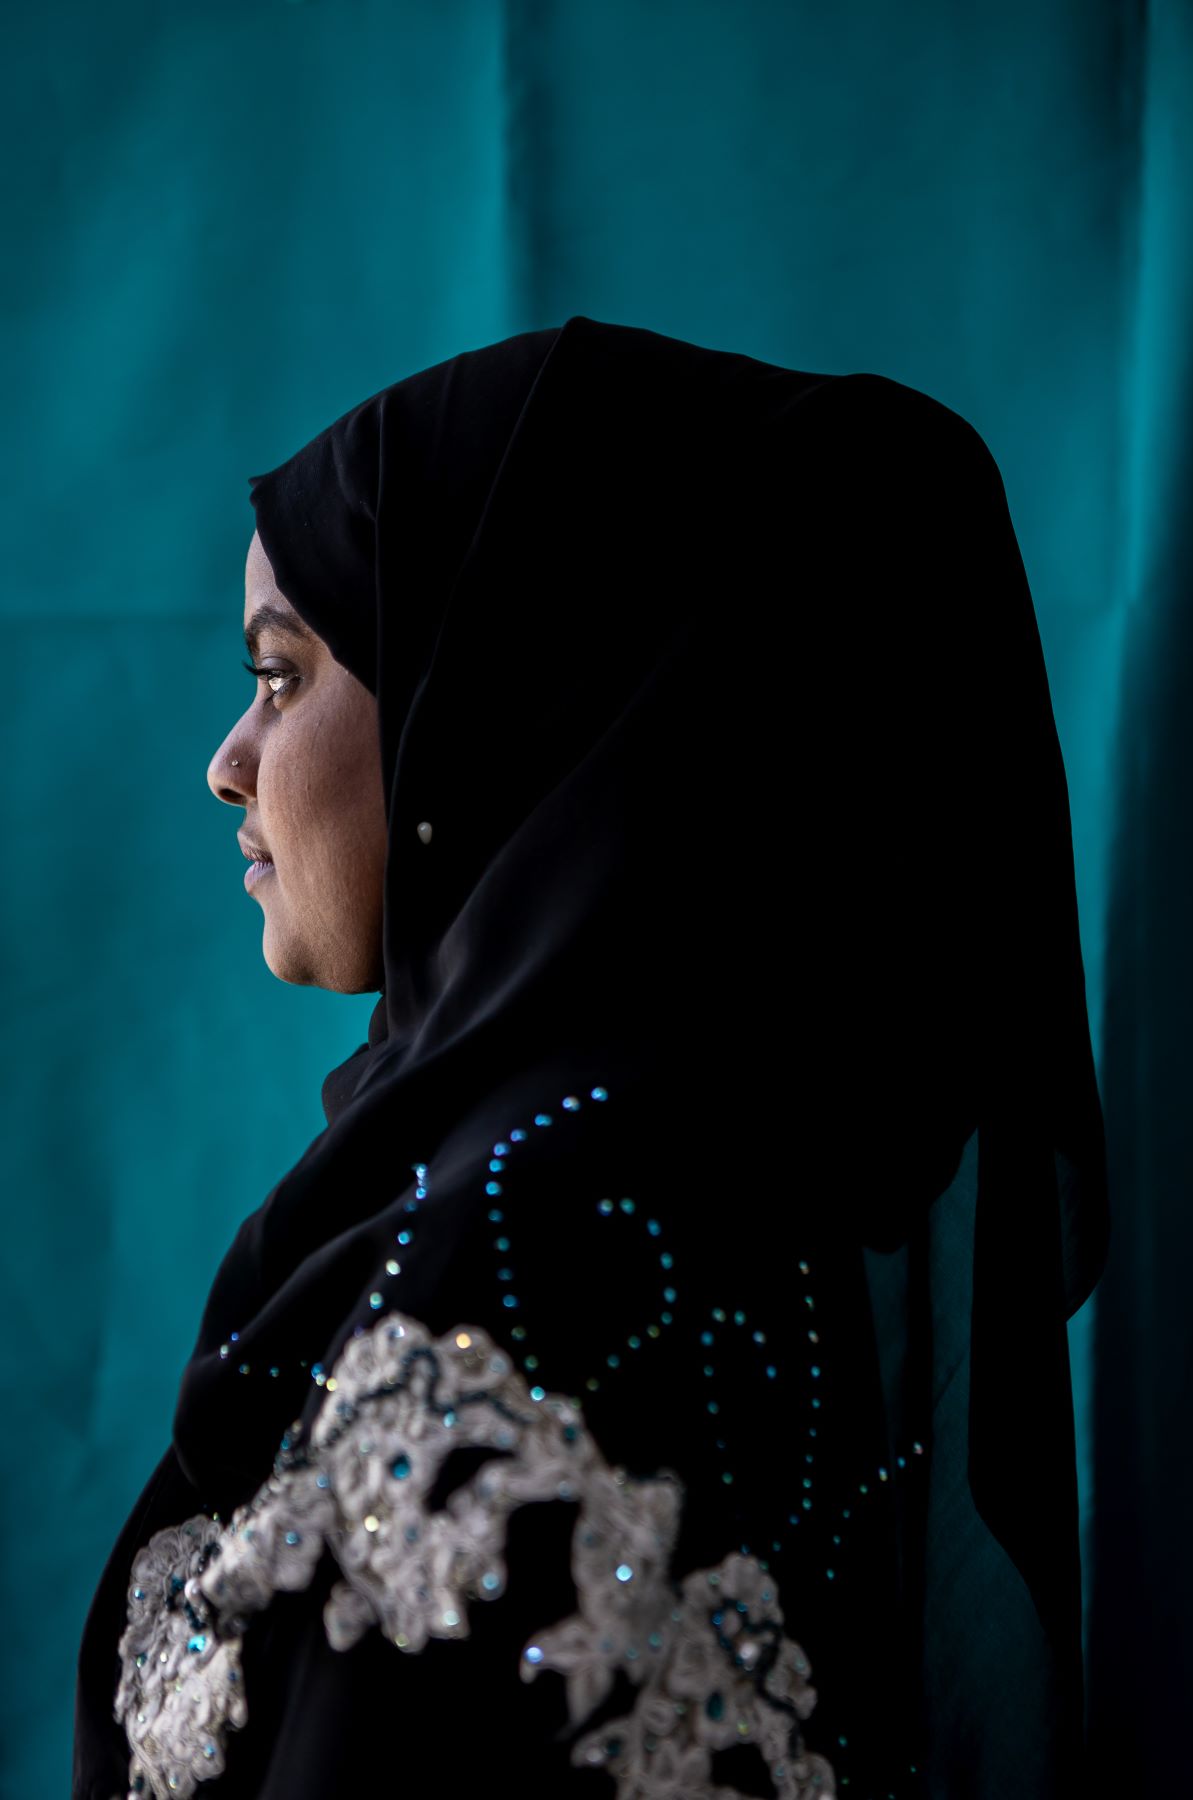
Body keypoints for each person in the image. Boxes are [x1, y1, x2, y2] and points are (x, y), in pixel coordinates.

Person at [72, 315, 1109, 1800]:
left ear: (488, 701)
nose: (229, 759)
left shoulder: (533, 1237)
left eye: (283, 677)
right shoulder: (717, 1188)